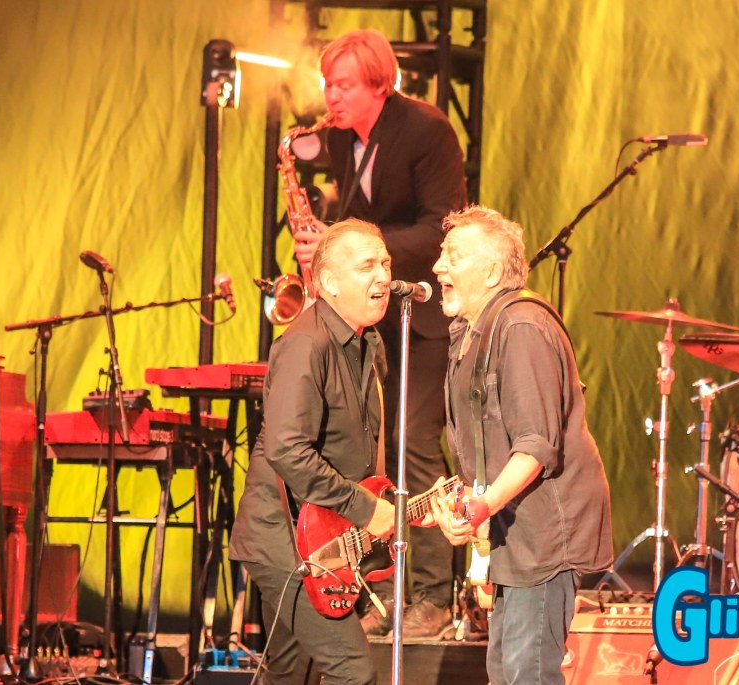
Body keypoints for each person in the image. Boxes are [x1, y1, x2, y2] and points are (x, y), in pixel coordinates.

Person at [293, 27, 467, 639]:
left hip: (423, 315)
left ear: (379, 84)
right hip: (373, 319)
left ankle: (435, 597)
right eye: (327, 85)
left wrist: (353, 246)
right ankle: (374, 585)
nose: (331, 97)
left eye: (343, 85)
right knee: (367, 453)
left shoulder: (426, 130)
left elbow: (441, 227)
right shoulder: (344, 140)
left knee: (415, 443)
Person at [428, 206, 613, 685]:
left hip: (545, 534)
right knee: (505, 671)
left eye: (452, 256)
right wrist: (460, 503)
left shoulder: (521, 326)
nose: (438, 266)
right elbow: (486, 446)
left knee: (526, 674)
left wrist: (481, 506)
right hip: (513, 534)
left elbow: (535, 445)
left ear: (491, 272)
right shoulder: (476, 331)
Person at [229, 219, 395, 684]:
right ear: (328, 282)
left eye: (385, 263)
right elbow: (287, 450)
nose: (383, 276)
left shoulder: (368, 344)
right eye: (367, 266)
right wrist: (365, 509)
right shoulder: (306, 343)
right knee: (354, 674)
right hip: (285, 543)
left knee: (290, 674)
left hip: (321, 538)